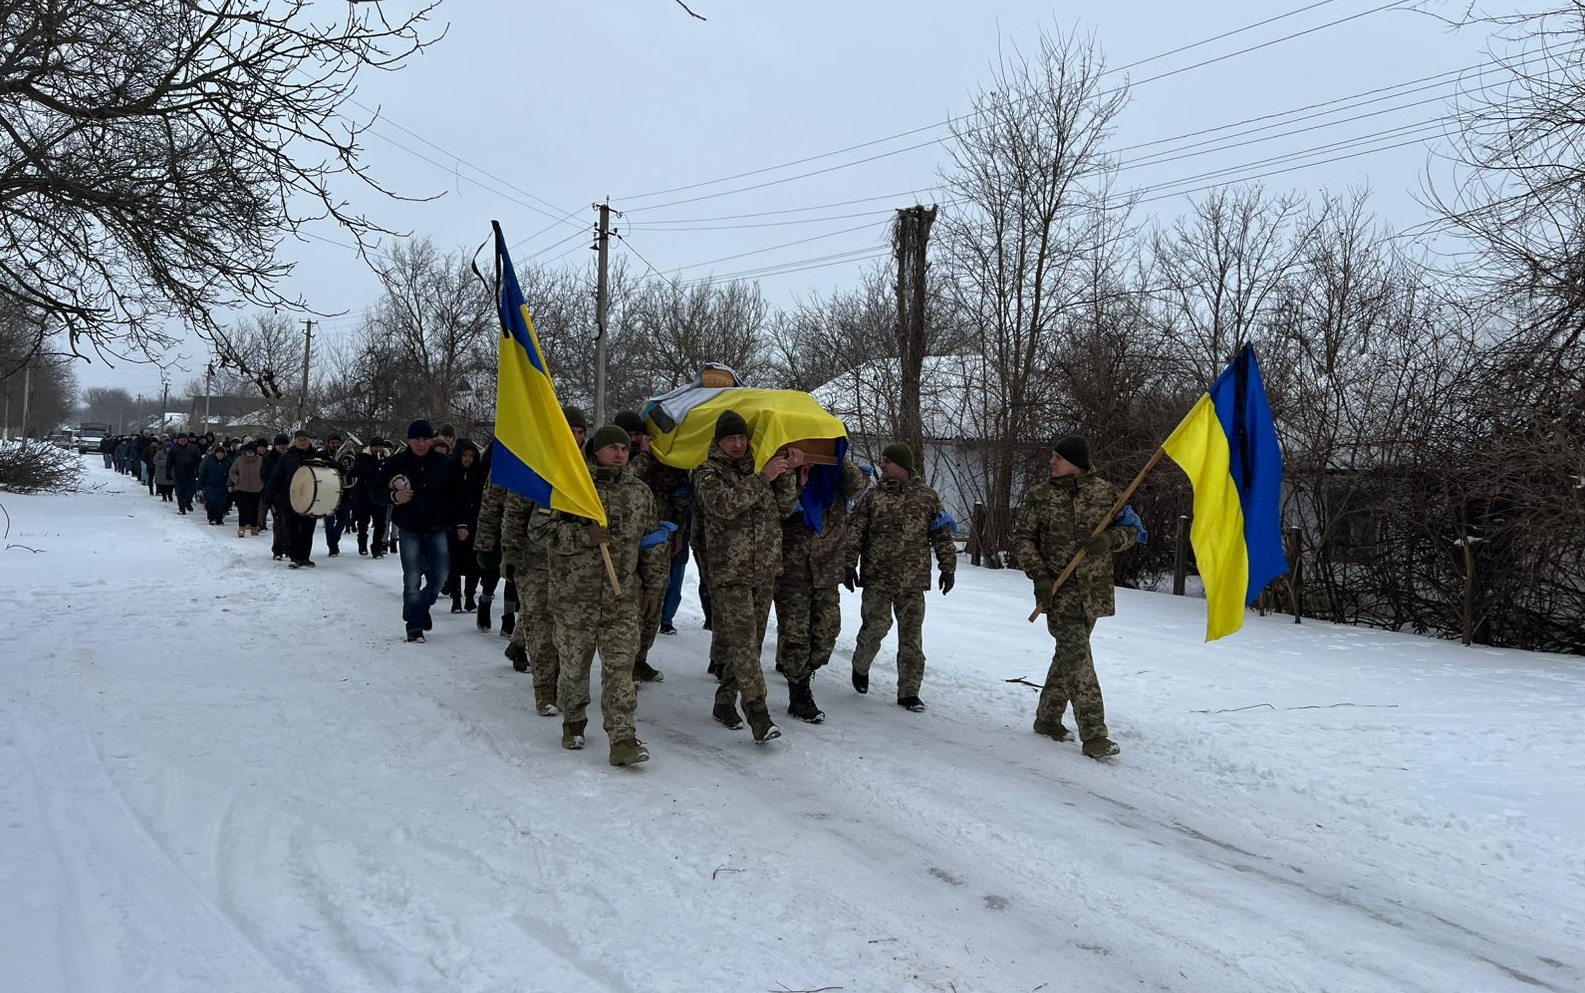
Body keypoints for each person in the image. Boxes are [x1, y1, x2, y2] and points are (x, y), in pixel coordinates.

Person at [530, 424, 666, 765]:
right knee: (574, 668)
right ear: (596, 450)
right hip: (575, 599)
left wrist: (653, 585)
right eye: (613, 448)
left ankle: (623, 738)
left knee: (620, 669)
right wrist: (582, 536)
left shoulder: (639, 492)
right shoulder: (569, 485)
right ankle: (574, 722)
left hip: (621, 599)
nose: (620, 454)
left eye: (625, 448)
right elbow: (539, 529)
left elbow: (651, 542)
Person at [1011, 435, 1141, 760]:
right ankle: (1095, 735)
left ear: (1076, 462)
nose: (1051, 462)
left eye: (1058, 457)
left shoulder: (1107, 494)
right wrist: (1040, 576)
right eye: (1052, 456)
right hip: (1059, 591)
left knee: (1068, 656)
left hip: (1093, 592)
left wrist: (1110, 539)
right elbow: (1023, 539)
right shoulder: (1040, 496)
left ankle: (1047, 719)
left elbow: (1133, 530)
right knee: (1079, 659)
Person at [693, 410, 801, 744]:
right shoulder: (707, 472)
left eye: (742, 437)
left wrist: (787, 474)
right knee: (743, 643)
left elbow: (784, 509)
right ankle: (757, 712)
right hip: (731, 573)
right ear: (719, 441)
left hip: (764, 570)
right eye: (731, 438)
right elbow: (723, 505)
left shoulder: (761, 467)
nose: (738, 444)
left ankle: (725, 701)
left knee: (749, 646)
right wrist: (764, 477)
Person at [846, 442, 957, 712]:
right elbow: (855, 533)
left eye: (888, 461)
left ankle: (909, 692)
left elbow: (941, 535)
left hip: (912, 581)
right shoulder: (873, 497)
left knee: (911, 639)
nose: (883, 465)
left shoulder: (927, 497)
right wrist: (848, 565)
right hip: (877, 578)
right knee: (875, 628)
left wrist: (948, 567)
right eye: (882, 461)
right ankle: (860, 666)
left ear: (903, 465)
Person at [775, 452, 870, 723]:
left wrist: (835, 456)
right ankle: (799, 691)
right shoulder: (786, 470)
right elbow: (781, 508)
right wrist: (795, 474)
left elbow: (859, 487)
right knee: (795, 634)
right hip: (793, 567)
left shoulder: (835, 474)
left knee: (827, 631)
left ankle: (803, 670)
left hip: (827, 566)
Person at [501, 405, 587, 703]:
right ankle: (545, 690)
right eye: (570, 430)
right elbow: (515, 511)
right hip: (535, 558)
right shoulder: (536, 464)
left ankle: (560, 682)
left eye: (580, 432)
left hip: (573, 564)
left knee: (567, 630)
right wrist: (510, 551)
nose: (575, 437)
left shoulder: (587, 467)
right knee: (540, 625)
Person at [373, 420, 461, 642]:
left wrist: (460, 523)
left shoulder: (445, 464)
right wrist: (394, 496)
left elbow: (457, 495)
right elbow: (375, 492)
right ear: (409, 440)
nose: (421, 444)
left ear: (432, 440)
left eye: (425, 439)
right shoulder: (396, 463)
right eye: (416, 439)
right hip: (409, 528)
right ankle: (414, 626)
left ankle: (419, 608)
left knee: (441, 576)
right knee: (412, 578)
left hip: (437, 528)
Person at [616, 409, 670, 683]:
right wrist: (645, 456)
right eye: (630, 436)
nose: (635, 440)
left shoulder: (654, 458)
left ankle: (640, 659)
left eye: (638, 435)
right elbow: (626, 477)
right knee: (631, 608)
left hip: (655, 537)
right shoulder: (614, 458)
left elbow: (673, 488)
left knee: (653, 603)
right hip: (624, 544)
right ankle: (626, 665)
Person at [264, 429, 325, 568]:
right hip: (290, 498)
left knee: (308, 530)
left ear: (309, 440)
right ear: (295, 441)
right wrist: (270, 495)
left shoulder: (317, 455)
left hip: (311, 498)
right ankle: (294, 557)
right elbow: (276, 477)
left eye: (305, 439)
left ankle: (305, 557)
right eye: (300, 440)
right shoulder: (287, 457)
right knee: (292, 529)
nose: (303, 442)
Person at [445, 439, 487, 613]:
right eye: (464, 455)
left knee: (473, 564)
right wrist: (458, 524)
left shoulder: (479, 475)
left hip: (474, 523)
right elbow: (448, 501)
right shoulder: (451, 473)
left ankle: (470, 596)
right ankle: (456, 598)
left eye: (471, 455)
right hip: (452, 524)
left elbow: (479, 501)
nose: (468, 459)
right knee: (453, 563)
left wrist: (469, 524)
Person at [348, 438, 391, 557]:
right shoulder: (362, 457)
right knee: (363, 522)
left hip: (380, 496)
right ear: (371, 448)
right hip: (364, 494)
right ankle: (362, 542)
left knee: (381, 523)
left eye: (380, 447)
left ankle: (376, 547)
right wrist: (373, 465)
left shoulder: (388, 459)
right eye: (375, 447)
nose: (378, 449)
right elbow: (354, 471)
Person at [321, 432, 353, 557]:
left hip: (344, 492)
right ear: (328, 443)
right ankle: (332, 547)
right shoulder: (322, 455)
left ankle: (334, 541)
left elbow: (351, 472)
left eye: (337, 443)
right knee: (329, 521)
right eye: (333, 443)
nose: (335, 445)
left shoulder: (348, 456)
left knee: (342, 521)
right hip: (328, 491)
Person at [228, 440, 266, 536]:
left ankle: (254, 528)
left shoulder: (260, 460)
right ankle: (241, 528)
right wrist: (237, 480)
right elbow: (232, 472)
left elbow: (265, 472)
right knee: (242, 510)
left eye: (251, 451)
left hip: (256, 489)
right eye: (248, 451)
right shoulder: (239, 460)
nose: (250, 453)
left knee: (254, 510)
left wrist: (262, 481)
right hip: (242, 488)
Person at [197, 439, 234, 525]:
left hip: (223, 486)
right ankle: (211, 518)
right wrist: (200, 486)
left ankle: (219, 518)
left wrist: (231, 484)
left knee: (221, 503)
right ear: (215, 453)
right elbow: (203, 474)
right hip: (211, 486)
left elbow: (231, 474)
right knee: (211, 503)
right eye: (218, 453)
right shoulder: (209, 461)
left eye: (221, 453)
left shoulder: (228, 462)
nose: (220, 455)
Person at [168, 433, 202, 515]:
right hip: (178, 473)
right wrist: (168, 472)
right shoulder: (174, 449)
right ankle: (182, 508)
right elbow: (169, 462)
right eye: (181, 440)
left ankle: (188, 502)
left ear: (187, 440)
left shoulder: (193, 448)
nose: (183, 441)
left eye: (184, 440)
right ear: (178, 440)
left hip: (191, 473)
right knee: (180, 492)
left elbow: (199, 461)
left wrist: (198, 471)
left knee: (191, 490)